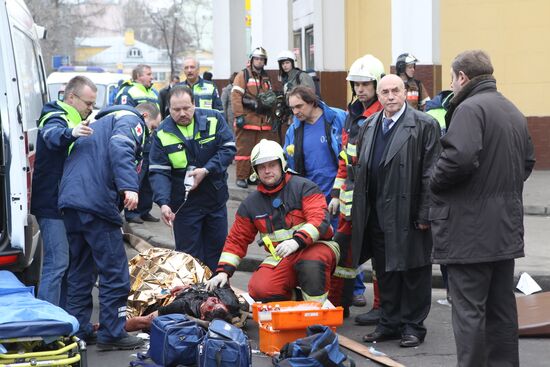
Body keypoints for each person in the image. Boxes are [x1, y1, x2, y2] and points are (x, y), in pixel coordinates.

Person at [429, 50, 535, 367]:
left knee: (469, 311)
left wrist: (433, 179)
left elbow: (458, 159)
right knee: (501, 309)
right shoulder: (511, 109)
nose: (451, 85)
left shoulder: (469, 109)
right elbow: (527, 161)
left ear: (462, 77)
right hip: (504, 230)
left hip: (469, 231)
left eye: (451, 78)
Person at [58, 103, 158, 350]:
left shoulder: (98, 123)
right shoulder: (130, 119)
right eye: (152, 127)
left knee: (81, 271)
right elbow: (121, 147)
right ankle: (113, 333)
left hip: (71, 202)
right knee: (115, 272)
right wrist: (129, 186)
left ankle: (80, 330)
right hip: (95, 204)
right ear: (145, 116)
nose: (149, 132)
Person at [352, 74, 440, 348]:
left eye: (395, 91)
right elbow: (360, 169)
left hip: (409, 212)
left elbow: (431, 172)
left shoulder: (425, 124)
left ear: (405, 93)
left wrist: (425, 213)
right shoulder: (369, 124)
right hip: (377, 212)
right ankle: (389, 323)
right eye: (384, 92)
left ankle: (413, 326)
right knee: (385, 271)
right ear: (378, 96)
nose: (390, 96)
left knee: (414, 271)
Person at [206, 139, 339, 304]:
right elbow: (237, 239)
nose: (267, 171)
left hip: (317, 246)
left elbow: (320, 219)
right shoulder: (251, 204)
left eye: (272, 165)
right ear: (255, 171)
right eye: (261, 167)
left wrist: (297, 241)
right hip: (283, 256)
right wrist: (223, 272)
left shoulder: (304, 187)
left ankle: (317, 312)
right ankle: (299, 301)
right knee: (260, 289)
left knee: (311, 263)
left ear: (282, 164)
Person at [149, 86, 235, 272]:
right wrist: (163, 203)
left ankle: (216, 296)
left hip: (215, 200)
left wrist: (207, 169)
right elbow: (158, 172)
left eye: (186, 108)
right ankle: (193, 297)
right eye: (176, 110)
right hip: (184, 205)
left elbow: (228, 148)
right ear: (168, 109)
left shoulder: (214, 119)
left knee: (217, 254)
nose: (182, 113)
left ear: (194, 105)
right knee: (189, 259)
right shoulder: (162, 133)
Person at [326, 55, 384, 321]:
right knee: (343, 254)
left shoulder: (382, 114)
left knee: (381, 254)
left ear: (376, 84)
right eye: (356, 85)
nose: (360, 90)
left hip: (375, 197)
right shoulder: (353, 113)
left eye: (365, 84)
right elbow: (345, 158)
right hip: (350, 201)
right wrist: (337, 193)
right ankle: (339, 304)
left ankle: (381, 308)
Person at [31, 76, 96, 307]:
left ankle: (63, 319)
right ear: (71, 97)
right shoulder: (54, 113)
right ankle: (47, 326)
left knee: (68, 264)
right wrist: (71, 133)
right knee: (56, 264)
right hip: (52, 203)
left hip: (67, 202)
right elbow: (52, 134)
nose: (90, 108)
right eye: (88, 103)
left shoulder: (79, 118)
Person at [284, 85, 346, 231]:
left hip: (340, 193)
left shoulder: (338, 118)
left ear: (312, 102)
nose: (295, 112)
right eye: (292, 108)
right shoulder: (293, 131)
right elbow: (288, 166)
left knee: (343, 241)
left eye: (299, 106)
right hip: (312, 198)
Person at [116, 65, 160, 224]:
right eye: (149, 74)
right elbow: (124, 114)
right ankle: (131, 212)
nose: (151, 77)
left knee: (148, 179)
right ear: (138, 76)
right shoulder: (128, 91)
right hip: (137, 140)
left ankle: (144, 210)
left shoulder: (153, 92)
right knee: (136, 178)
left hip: (151, 141)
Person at [231, 47, 279, 188]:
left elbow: (270, 99)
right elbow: (236, 97)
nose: (259, 61)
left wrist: (273, 118)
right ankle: (241, 177)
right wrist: (239, 115)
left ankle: (253, 176)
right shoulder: (242, 75)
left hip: (263, 123)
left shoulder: (266, 78)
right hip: (247, 121)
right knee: (244, 152)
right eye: (257, 58)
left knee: (259, 152)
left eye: (262, 59)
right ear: (251, 60)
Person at [122, 104, 162, 224]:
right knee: (136, 183)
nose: (153, 130)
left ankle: (144, 211)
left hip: (150, 151)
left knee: (147, 185)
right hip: (139, 154)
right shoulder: (132, 124)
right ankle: (131, 213)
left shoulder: (149, 127)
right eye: (153, 127)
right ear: (145, 116)